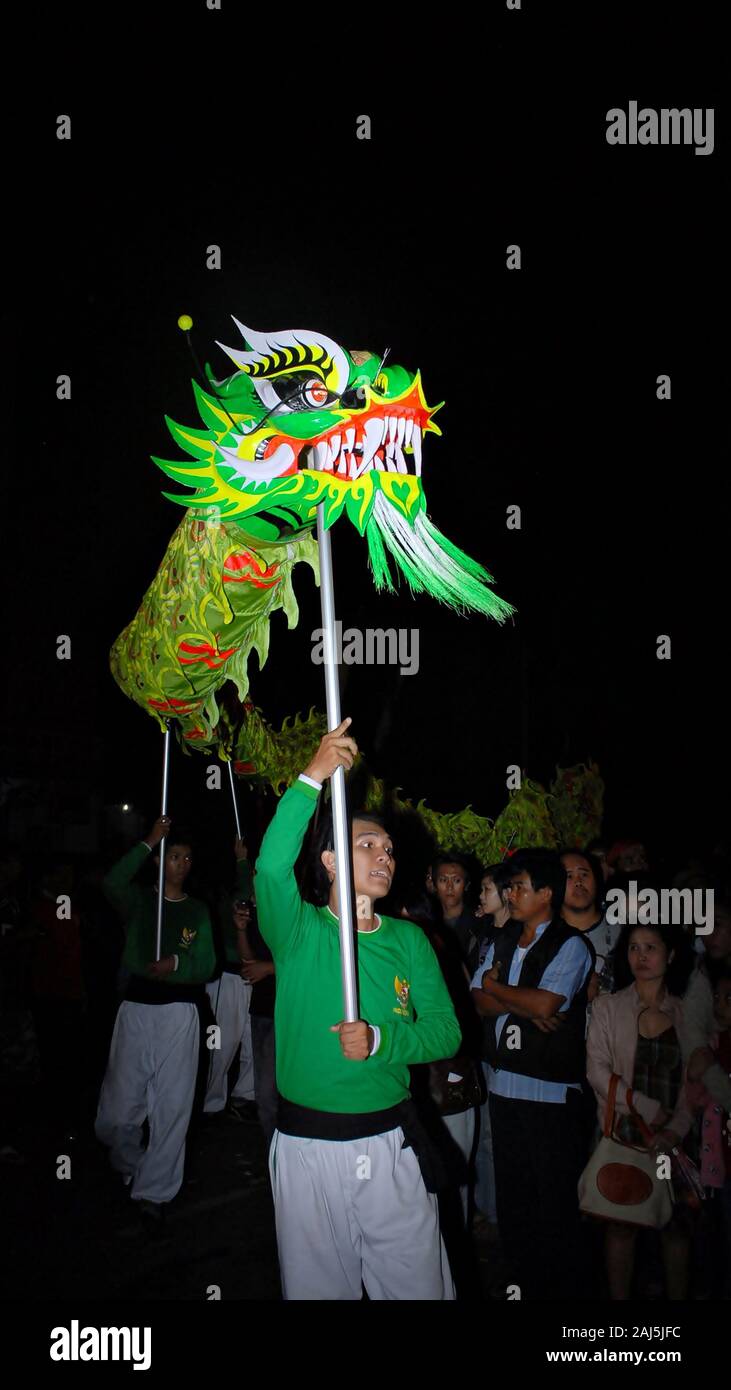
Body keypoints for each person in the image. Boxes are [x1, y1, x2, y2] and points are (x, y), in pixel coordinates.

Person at [255, 718, 461, 1300]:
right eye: (366, 845)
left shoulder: (409, 940)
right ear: (328, 861)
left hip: (390, 1142)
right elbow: (270, 868)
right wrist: (313, 777)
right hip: (307, 1148)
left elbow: (446, 1032)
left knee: (419, 1288)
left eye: (389, 850)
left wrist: (383, 1042)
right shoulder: (298, 933)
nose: (384, 856)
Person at [471, 849, 594, 1300]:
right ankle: (522, 1281)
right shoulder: (502, 940)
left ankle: (562, 1289)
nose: (510, 894)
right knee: (515, 1198)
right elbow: (478, 1002)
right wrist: (520, 999)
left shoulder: (572, 944)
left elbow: (545, 1006)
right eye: (509, 887)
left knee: (554, 1202)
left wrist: (499, 989)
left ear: (546, 893)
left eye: (519, 886)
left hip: (550, 1095)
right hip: (504, 1088)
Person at [95, 817, 216, 1222]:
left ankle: (155, 1191)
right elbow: (111, 882)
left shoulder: (198, 910)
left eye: (187, 858)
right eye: (173, 856)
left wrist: (177, 962)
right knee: (116, 1110)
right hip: (136, 1009)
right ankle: (132, 1164)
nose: (181, 864)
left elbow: (206, 966)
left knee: (172, 1104)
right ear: (160, 861)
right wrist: (150, 840)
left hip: (179, 1013)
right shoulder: (139, 902)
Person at [586, 920, 696, 1300]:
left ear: (672, 954)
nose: (642, 956)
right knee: (622, 1224)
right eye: (634, 948)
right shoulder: (608, 1007)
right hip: (625, 1133)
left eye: (651, 947)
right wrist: (647, 1109)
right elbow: (596, 1071)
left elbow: (694, 1085)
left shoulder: (688, 1015)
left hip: (673, 1141)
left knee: (676, 1225)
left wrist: (675, 1130)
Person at [204, 836, 257, 1120]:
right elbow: (244, 891)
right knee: (222, 1045)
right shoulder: (224, 897)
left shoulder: (249, 896)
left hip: (250, 979)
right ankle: (209, 1103)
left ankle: (244, 1097)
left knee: (251, 1042)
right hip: (227, 978)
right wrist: (241, 859)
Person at [472, 863, 512, 1238]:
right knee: (485, 1137)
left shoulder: (520, 936)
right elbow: (478, 996)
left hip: (514, 1055)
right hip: (486, 1048)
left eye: (486, 888)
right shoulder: (483, 934)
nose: (481, 895)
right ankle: (490, 1209)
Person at [561, 849, 619, 997]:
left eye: (584, 874)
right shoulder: (544, 936)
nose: (578, 882)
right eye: (569, 876)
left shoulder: (622, 930)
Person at [432, 852, 482, 975]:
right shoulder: (427, 924)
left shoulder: (480, 923)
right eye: (443, 880)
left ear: (466, 885)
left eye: (456, 880)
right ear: (434, 885)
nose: (449, 887)